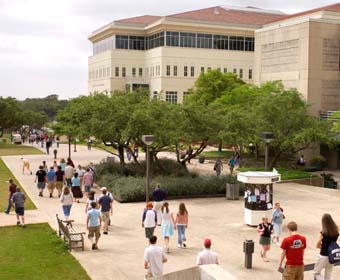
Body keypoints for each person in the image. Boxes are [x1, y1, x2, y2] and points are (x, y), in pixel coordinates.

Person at [313, 214, 339, 280]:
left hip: (323, 255)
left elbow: (317, 245)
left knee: (316, 273)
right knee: (328, 273)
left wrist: (323, 247)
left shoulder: (323, 233)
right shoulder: (336, 232)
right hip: (332, 255)